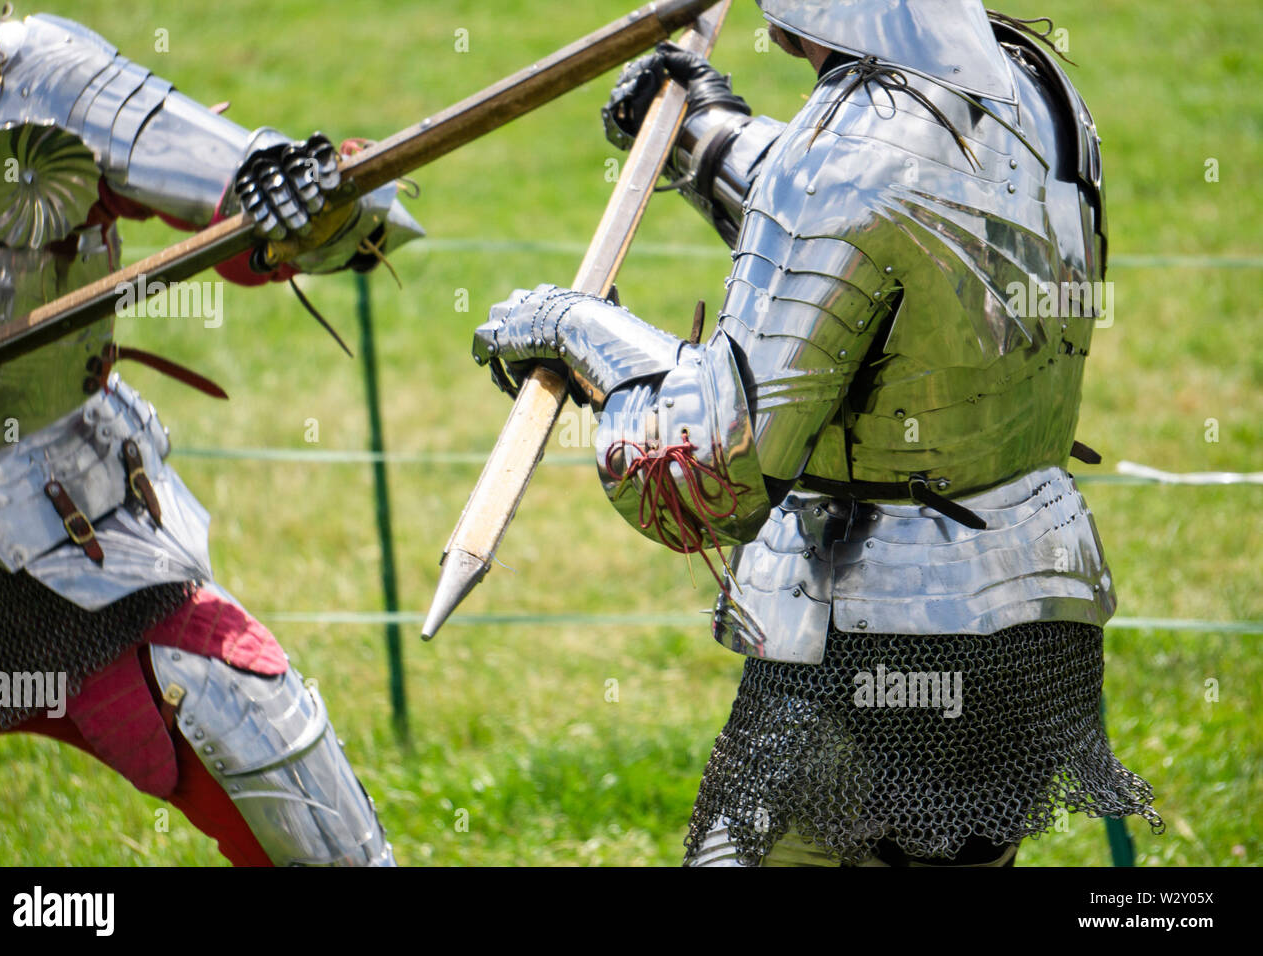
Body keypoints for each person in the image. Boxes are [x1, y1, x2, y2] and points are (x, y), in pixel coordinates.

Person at [473, 0, 1163, 866]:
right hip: (1030, 598)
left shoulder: (852, 147)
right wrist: (708, 135)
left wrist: (571, 326)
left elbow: (715, 461)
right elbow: (888, 215)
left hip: (877, 625)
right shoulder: (1034, 87)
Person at [0, 4, 423, 865]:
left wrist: (305, 196)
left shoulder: (41, 76)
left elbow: (251, 190)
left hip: (63, 536)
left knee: (294, 797)